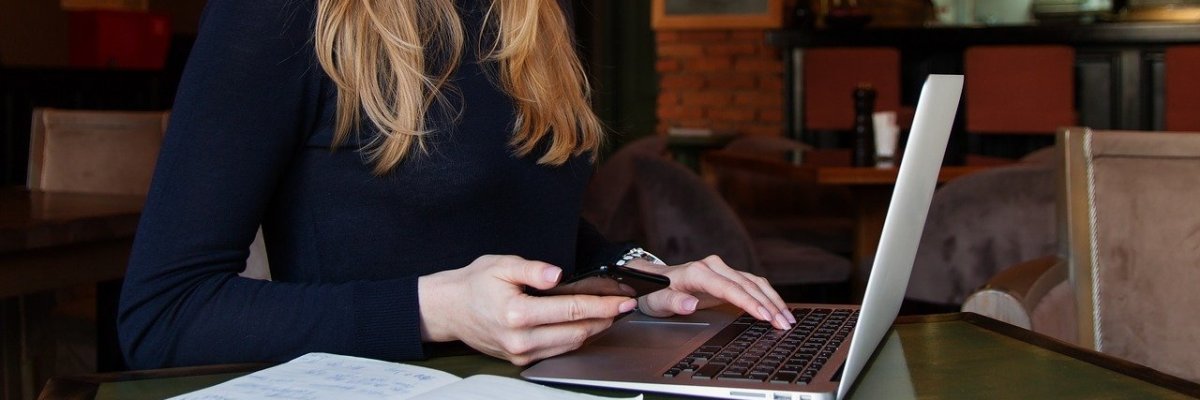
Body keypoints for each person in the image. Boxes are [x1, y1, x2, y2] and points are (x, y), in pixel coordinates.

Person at [118, 0, 795, 369]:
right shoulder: (279, 13)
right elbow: (163, 315)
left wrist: (643, 280)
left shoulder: (534, 14)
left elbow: (529, 235)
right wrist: (433, 309)